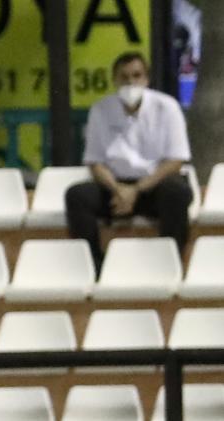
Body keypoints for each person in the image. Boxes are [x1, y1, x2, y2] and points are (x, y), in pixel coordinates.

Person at [65, 51, 193, 272]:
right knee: (77, 196)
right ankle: (94, 267)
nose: (130, 82)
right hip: (115, 189)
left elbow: (176, 160)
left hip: (154, 185)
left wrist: (137, 190)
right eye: (124, 77)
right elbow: (95, 162)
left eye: (136, 75)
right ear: (114, 80)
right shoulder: (100, 110)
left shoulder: (167, 107)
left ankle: (169, 264)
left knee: (178, 194)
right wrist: (119, 189)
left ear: (146, 79)